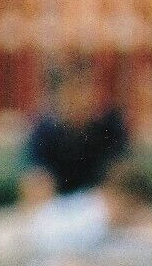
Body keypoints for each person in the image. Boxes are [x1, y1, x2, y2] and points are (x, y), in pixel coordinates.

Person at [19, 55, 129, 204]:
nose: (84, 98)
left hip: (103, 210)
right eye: (73, 89)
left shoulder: (110, 124)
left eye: (88, 87)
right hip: (54, 210)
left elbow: (122, 180)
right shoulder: (43, 130)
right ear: (55, 96)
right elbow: (35, 182)